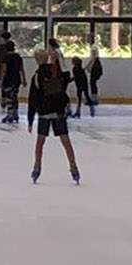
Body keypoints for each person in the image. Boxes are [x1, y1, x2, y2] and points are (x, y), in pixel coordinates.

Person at [29, 51, 81, 185]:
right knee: (65, 140)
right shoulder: (56, 72)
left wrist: (30, 120)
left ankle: (37, 166)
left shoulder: (36, 76)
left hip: (44, 112)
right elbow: (66, 79)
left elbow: (32, 99)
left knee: (40, 141)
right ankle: (73, 166)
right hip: (58, 112)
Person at [86, 46, 104, 113]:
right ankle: (93, 97)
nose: (92, 53)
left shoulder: (96, 60)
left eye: (94, 52)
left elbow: (93, 66)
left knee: (93, 84)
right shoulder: (94, 60)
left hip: (95, 73)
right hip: (94, 73)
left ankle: (94, 98)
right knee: (92, 84)